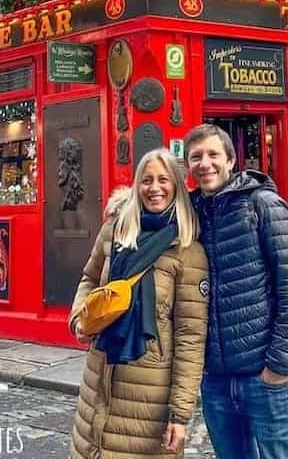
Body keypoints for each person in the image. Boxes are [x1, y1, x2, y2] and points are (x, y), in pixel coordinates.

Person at [68, 148, 208, 458]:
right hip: (99, 376)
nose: (154, 188)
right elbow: (89, 279)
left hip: (150, 393)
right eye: (146, 180)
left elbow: (190, 338)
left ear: (177, 185)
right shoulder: (115, 229)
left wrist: (180, 415)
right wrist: (79, 317)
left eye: (163, 180)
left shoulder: (187, 249)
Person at [185, 123, 288, 459]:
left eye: (213, 155)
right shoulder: (190, 215)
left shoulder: (263, 204)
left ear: (230, 160)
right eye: (196, 157)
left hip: (263, 376)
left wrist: (279, 366)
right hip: (215, 380)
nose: (205, 163)